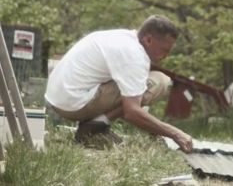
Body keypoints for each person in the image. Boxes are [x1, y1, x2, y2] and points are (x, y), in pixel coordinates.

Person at [45, 15, 193, 152]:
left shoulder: (124, 38)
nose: (165, 56)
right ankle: (95, 127)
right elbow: (132, 112)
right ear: (148, 40)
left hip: (60, 98)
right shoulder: (134, 55)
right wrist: (175, 134)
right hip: (72, 104)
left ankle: (96, 123)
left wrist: (155, 131)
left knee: (140, 84)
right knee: (161, 82)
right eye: (164, 50)